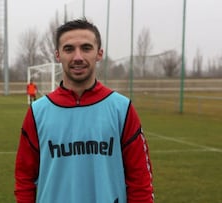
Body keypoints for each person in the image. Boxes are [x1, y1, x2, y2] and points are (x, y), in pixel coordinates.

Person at [14, 18, 154, 203]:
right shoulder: (38, 112)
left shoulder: (122, 109)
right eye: (69, 49)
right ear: (58, 55)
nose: (78, 57)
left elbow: (140, 180)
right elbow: (24, 179)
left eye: (86, 48)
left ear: (99, 53)